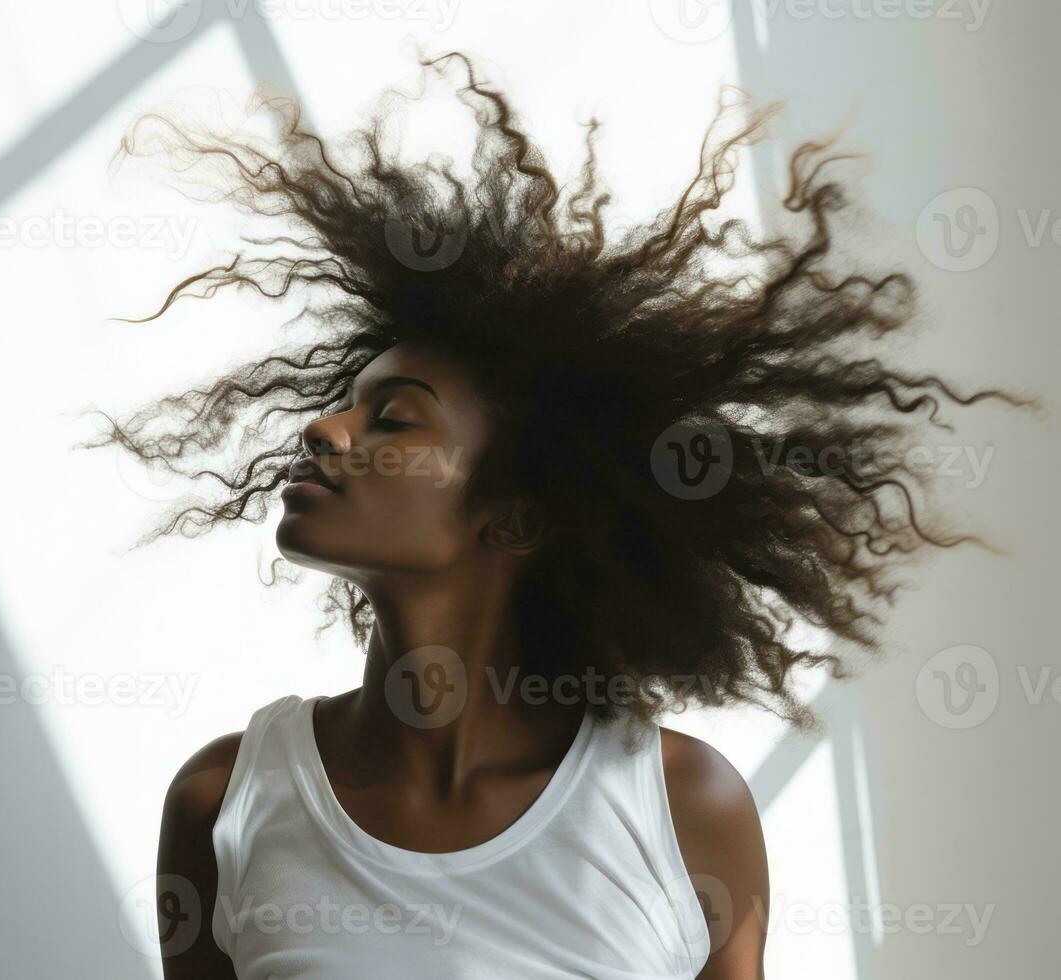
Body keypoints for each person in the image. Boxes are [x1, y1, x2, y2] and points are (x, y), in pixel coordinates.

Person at [97, 50, 1024, 979]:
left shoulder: (681, 810)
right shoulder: (227, 799)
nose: (323, 429)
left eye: (392, 418)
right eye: (345, 403)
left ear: (513, 516)